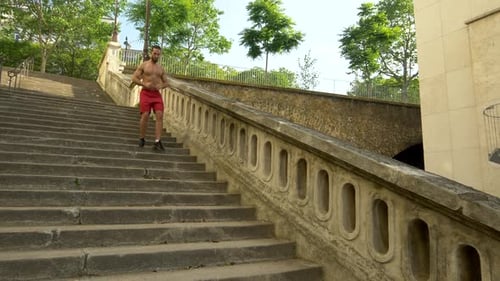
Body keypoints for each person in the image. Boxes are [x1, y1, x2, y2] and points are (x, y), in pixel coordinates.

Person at [130, 45, 169, 151]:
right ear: (151, 53)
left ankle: (157, 141)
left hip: (156, 95)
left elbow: (166, 82)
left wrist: (161, 86)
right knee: (145, 115)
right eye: (154, 53)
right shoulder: (144, 65)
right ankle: (142, 138)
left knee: (160, 115)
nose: (156, 55)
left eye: (158, 54)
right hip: (146, 93)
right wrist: (144, 85)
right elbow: (134, 78)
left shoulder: (161, 69)